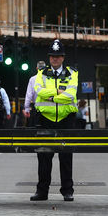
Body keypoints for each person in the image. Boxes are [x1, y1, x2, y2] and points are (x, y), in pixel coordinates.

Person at [30, 39, 78, 202]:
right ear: (49, 57)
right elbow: (38, 91)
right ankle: (42, 191)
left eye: (58, 56)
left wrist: (50, 95)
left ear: (63, 57)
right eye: (52, 56)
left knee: (66, 156)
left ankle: (67, 190)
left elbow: (71, 95)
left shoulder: (72, 73)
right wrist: (58, 93)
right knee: (44, 156)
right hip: (45, 119)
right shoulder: (41, 73)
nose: (55, 59)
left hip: (66, 119)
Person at [23, 60, 46, 127]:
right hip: (49, 107)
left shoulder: (32, 79)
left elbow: (29, 95)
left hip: (37, 107)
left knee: (36, 128)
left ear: (37, 68)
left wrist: (27, 108)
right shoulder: (50, 78)